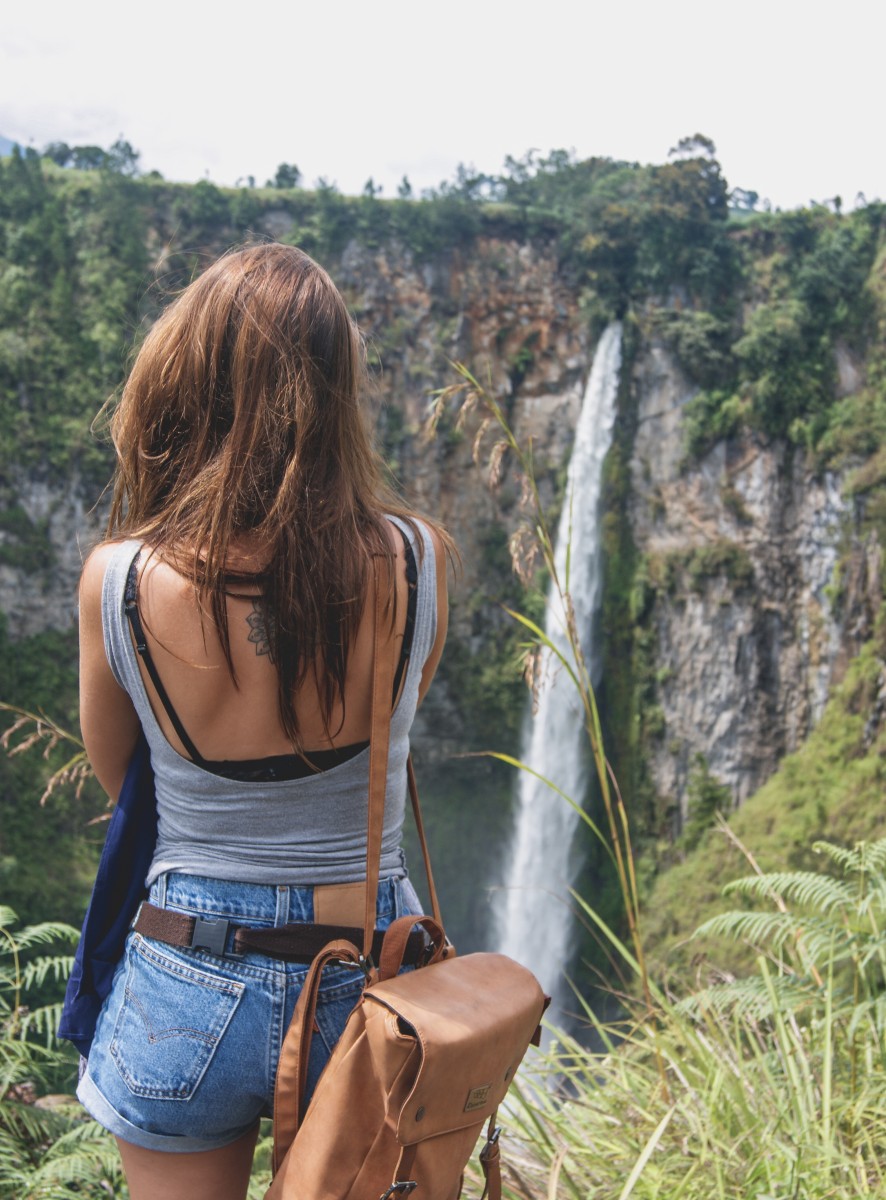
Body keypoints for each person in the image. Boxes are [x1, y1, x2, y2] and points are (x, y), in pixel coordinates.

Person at [75, 243, 450, 1200]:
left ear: (182, 384)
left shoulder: (119, 581)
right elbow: (395, 718)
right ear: (335, 395)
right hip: (368, 963)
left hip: (187, 964)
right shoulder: (415, 562)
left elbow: (127, 781)